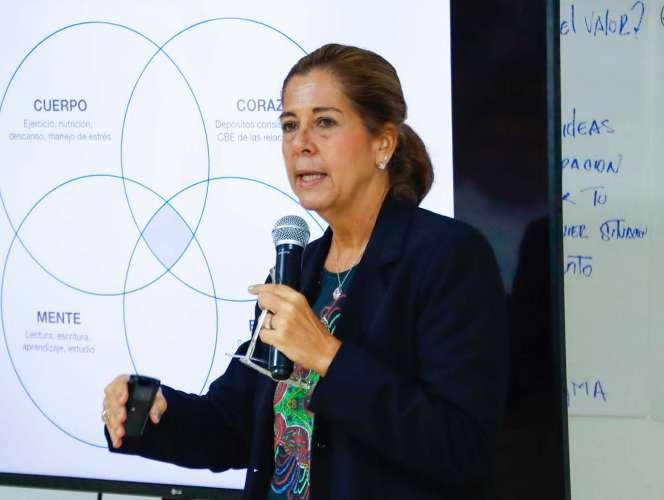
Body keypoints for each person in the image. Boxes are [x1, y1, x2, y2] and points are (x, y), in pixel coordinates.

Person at [102, 43, 509, 500]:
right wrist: (153, 413)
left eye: (325, 122)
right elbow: (236, 425)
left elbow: (462, 447)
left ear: (383, 142)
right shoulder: (298, 268)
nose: (301, 143)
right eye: (290, 125)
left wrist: (328, 356)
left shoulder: (448, 257)